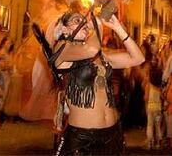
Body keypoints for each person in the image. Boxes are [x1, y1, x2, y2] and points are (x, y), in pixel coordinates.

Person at [52, 9, 145, 155]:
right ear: (64, 29)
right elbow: (91, 49)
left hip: (112, 134)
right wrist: (98, 23)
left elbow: (138, 58)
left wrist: (118, 28)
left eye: (83, 20)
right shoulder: (62, 49)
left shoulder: (100, 55)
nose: (83, 23)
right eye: (77, 21)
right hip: (82, 139)